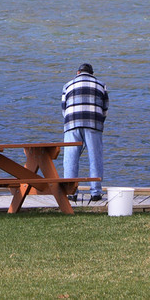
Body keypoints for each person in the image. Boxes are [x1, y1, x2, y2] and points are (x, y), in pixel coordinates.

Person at [61, 61, 109, 202]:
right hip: (93, 123)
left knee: (70, 158)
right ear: (92, 74)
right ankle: (95, 192)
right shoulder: (101, 85)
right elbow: (105, 108)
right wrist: (99, 124)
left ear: (78, 73)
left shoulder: (67, 85)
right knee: (95, 157)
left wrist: (71, 122)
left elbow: (64, 108)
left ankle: (71, 192)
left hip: (72, 123)